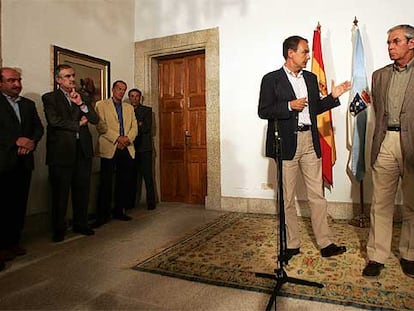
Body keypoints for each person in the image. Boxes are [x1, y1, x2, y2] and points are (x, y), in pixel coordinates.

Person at [258, 35, 351, 260]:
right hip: (286, 144)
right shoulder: (271, 79)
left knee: (317, 195)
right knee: (287, 198)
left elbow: (316, 107)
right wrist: (289, 106)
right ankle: (292, 244)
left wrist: (333, 97)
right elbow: (264, 110)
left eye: (309, 52)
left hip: (310, 141)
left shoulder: (310, 78)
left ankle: (325, 242)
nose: (308, 56)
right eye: (304, 52)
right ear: (291, 53)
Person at [362, 24, 414, 278]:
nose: (390, 47)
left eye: (396, 42)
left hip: (412, 145)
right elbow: (378, 111)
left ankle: (409, 254)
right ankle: (377, 255)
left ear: (411, 43)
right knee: (380, 203)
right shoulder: (379, 75)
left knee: (412, 205)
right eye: (389, 43)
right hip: (385, 143)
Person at [42, 64, 98, 242]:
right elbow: (54, 121)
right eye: (67, 76)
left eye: (73, 75)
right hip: (61, 152)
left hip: (82, 151)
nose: (72, 79)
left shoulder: (83, 96)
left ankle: (81, 224)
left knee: (82, 190)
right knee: (60, 193)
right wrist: (78, 124)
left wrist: (81, 104)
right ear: (58, 79)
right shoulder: (50, 98)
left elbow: (95, 119)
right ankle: (59, 229)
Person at [0, 67, 44, 261]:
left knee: (19, 204)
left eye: (18, 80)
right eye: (11, 81)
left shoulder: (28, 104)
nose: (17, 84)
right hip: (3, 163)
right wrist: (15, 141)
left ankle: (14, 242)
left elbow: (38, 128)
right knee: (3, 206)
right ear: (1, 83)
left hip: (24, 162)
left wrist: (31, 142)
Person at [94, 80, 138, 227]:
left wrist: (126, 139)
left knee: (123, 181)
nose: (121, 92)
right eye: (119, 89)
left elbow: (134, 127)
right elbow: (101, 126)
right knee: (105, 182)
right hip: (110, 147)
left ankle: (119, 211)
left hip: (126, 147)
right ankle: (102, 215)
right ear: (113, 89)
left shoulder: (129, 108)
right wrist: (117, 138)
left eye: (123, 89)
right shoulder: (101, 105)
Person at [128, 88, 156, 210]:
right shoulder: (126, 110)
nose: (134, 98)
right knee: (132, 177)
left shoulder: (147, 110)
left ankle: (151, 203)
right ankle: (131, 203)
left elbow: (146, 128)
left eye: (137, 96)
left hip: (145, 148)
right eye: (132, 96)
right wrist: (138, 124)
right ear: (129, 98)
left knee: (148, 176)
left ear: (140, 98)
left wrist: (137, 125)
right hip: (130, 147)